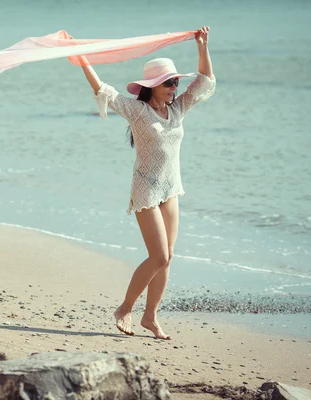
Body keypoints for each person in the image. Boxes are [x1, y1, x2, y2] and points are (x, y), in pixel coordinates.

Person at [80, 26, 215, 340]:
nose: (174, 87)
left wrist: (202, 45)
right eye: (169, 83)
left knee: (167, 258)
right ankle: (125, 308)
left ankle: (150, 317)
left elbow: (205, 82)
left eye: (175, 82)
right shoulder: (137, 111)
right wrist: (81, 58)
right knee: (160, 256)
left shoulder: (178, 108)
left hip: (171, 189)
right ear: (153, 86)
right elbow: (104, 90)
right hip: (146, 190)